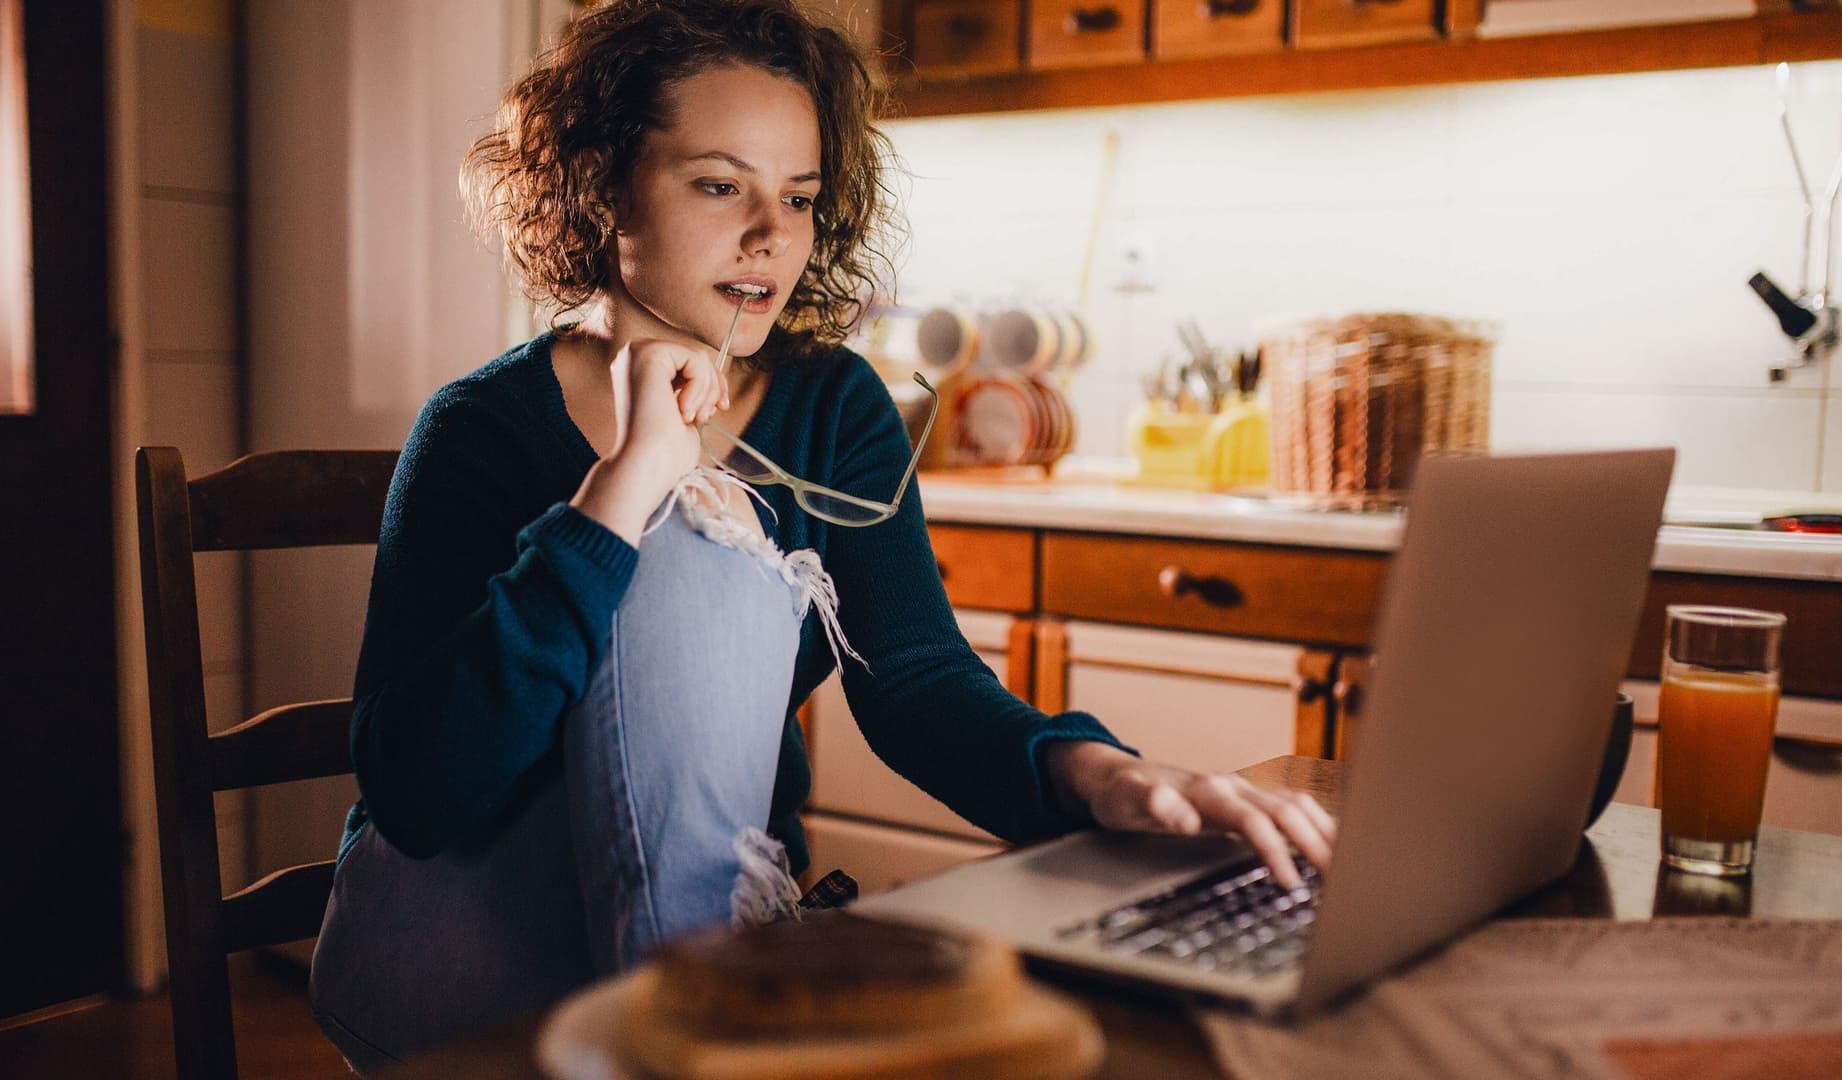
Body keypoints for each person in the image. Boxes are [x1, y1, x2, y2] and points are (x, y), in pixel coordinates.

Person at [308, 0, 1337, 1070]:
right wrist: (619, 497)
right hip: (455, 952)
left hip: (691, 941)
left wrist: (1091, 774)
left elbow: (916, 679)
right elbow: (419, 795)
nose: (771, 237)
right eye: (719, 186)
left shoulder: (832, 404)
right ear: (603, 186)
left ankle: (704, 1018)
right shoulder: (478, 428)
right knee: (695, 547)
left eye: (796, 198)